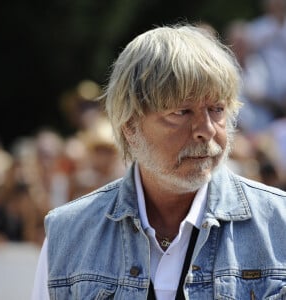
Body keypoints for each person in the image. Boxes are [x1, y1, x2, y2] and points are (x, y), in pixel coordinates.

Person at [32, 23, 286, 300]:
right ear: (130, 125)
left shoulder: (279, 224)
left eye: (217, 109)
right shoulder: (69, 234)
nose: (207, 129)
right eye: (181, 111)